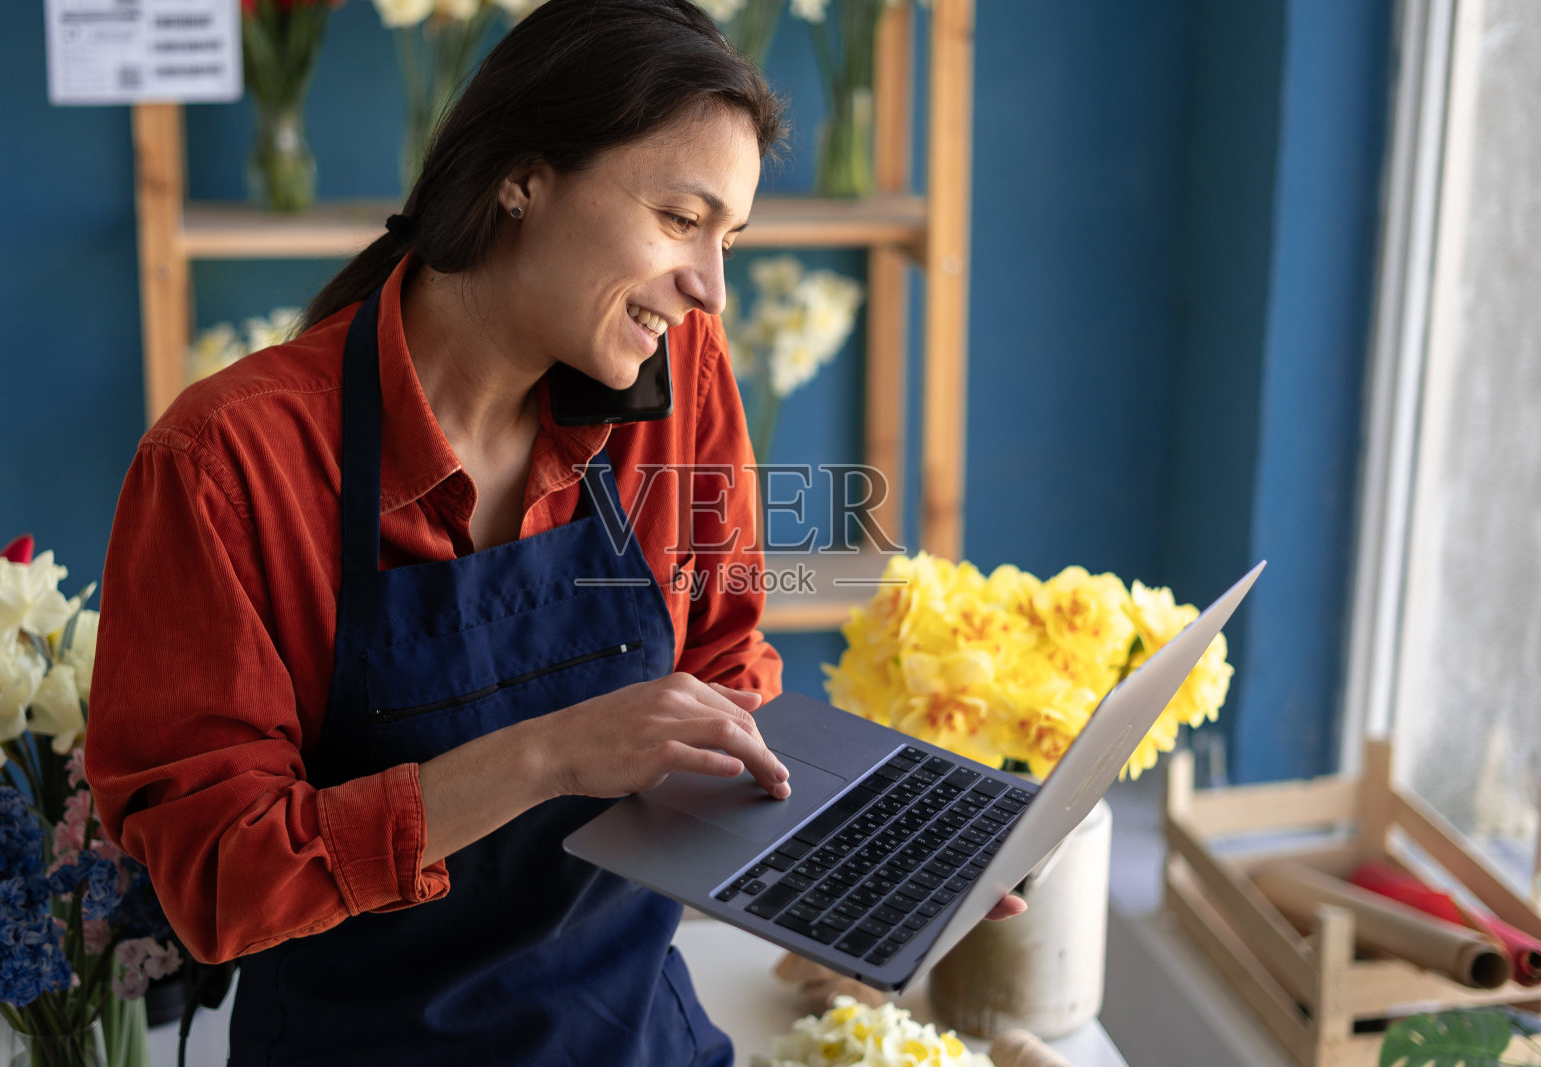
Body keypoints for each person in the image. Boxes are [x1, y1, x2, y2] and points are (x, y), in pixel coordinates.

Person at [87, 1, 1021, 1063]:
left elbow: (722, 665)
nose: (709, 286)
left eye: (729, 238)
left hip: (632, 1030)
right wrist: (546, 754)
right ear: (521, 179)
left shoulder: (684, 378)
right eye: (680, 218)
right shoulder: (226, 464)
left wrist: (860, 836)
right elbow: (215, 874)